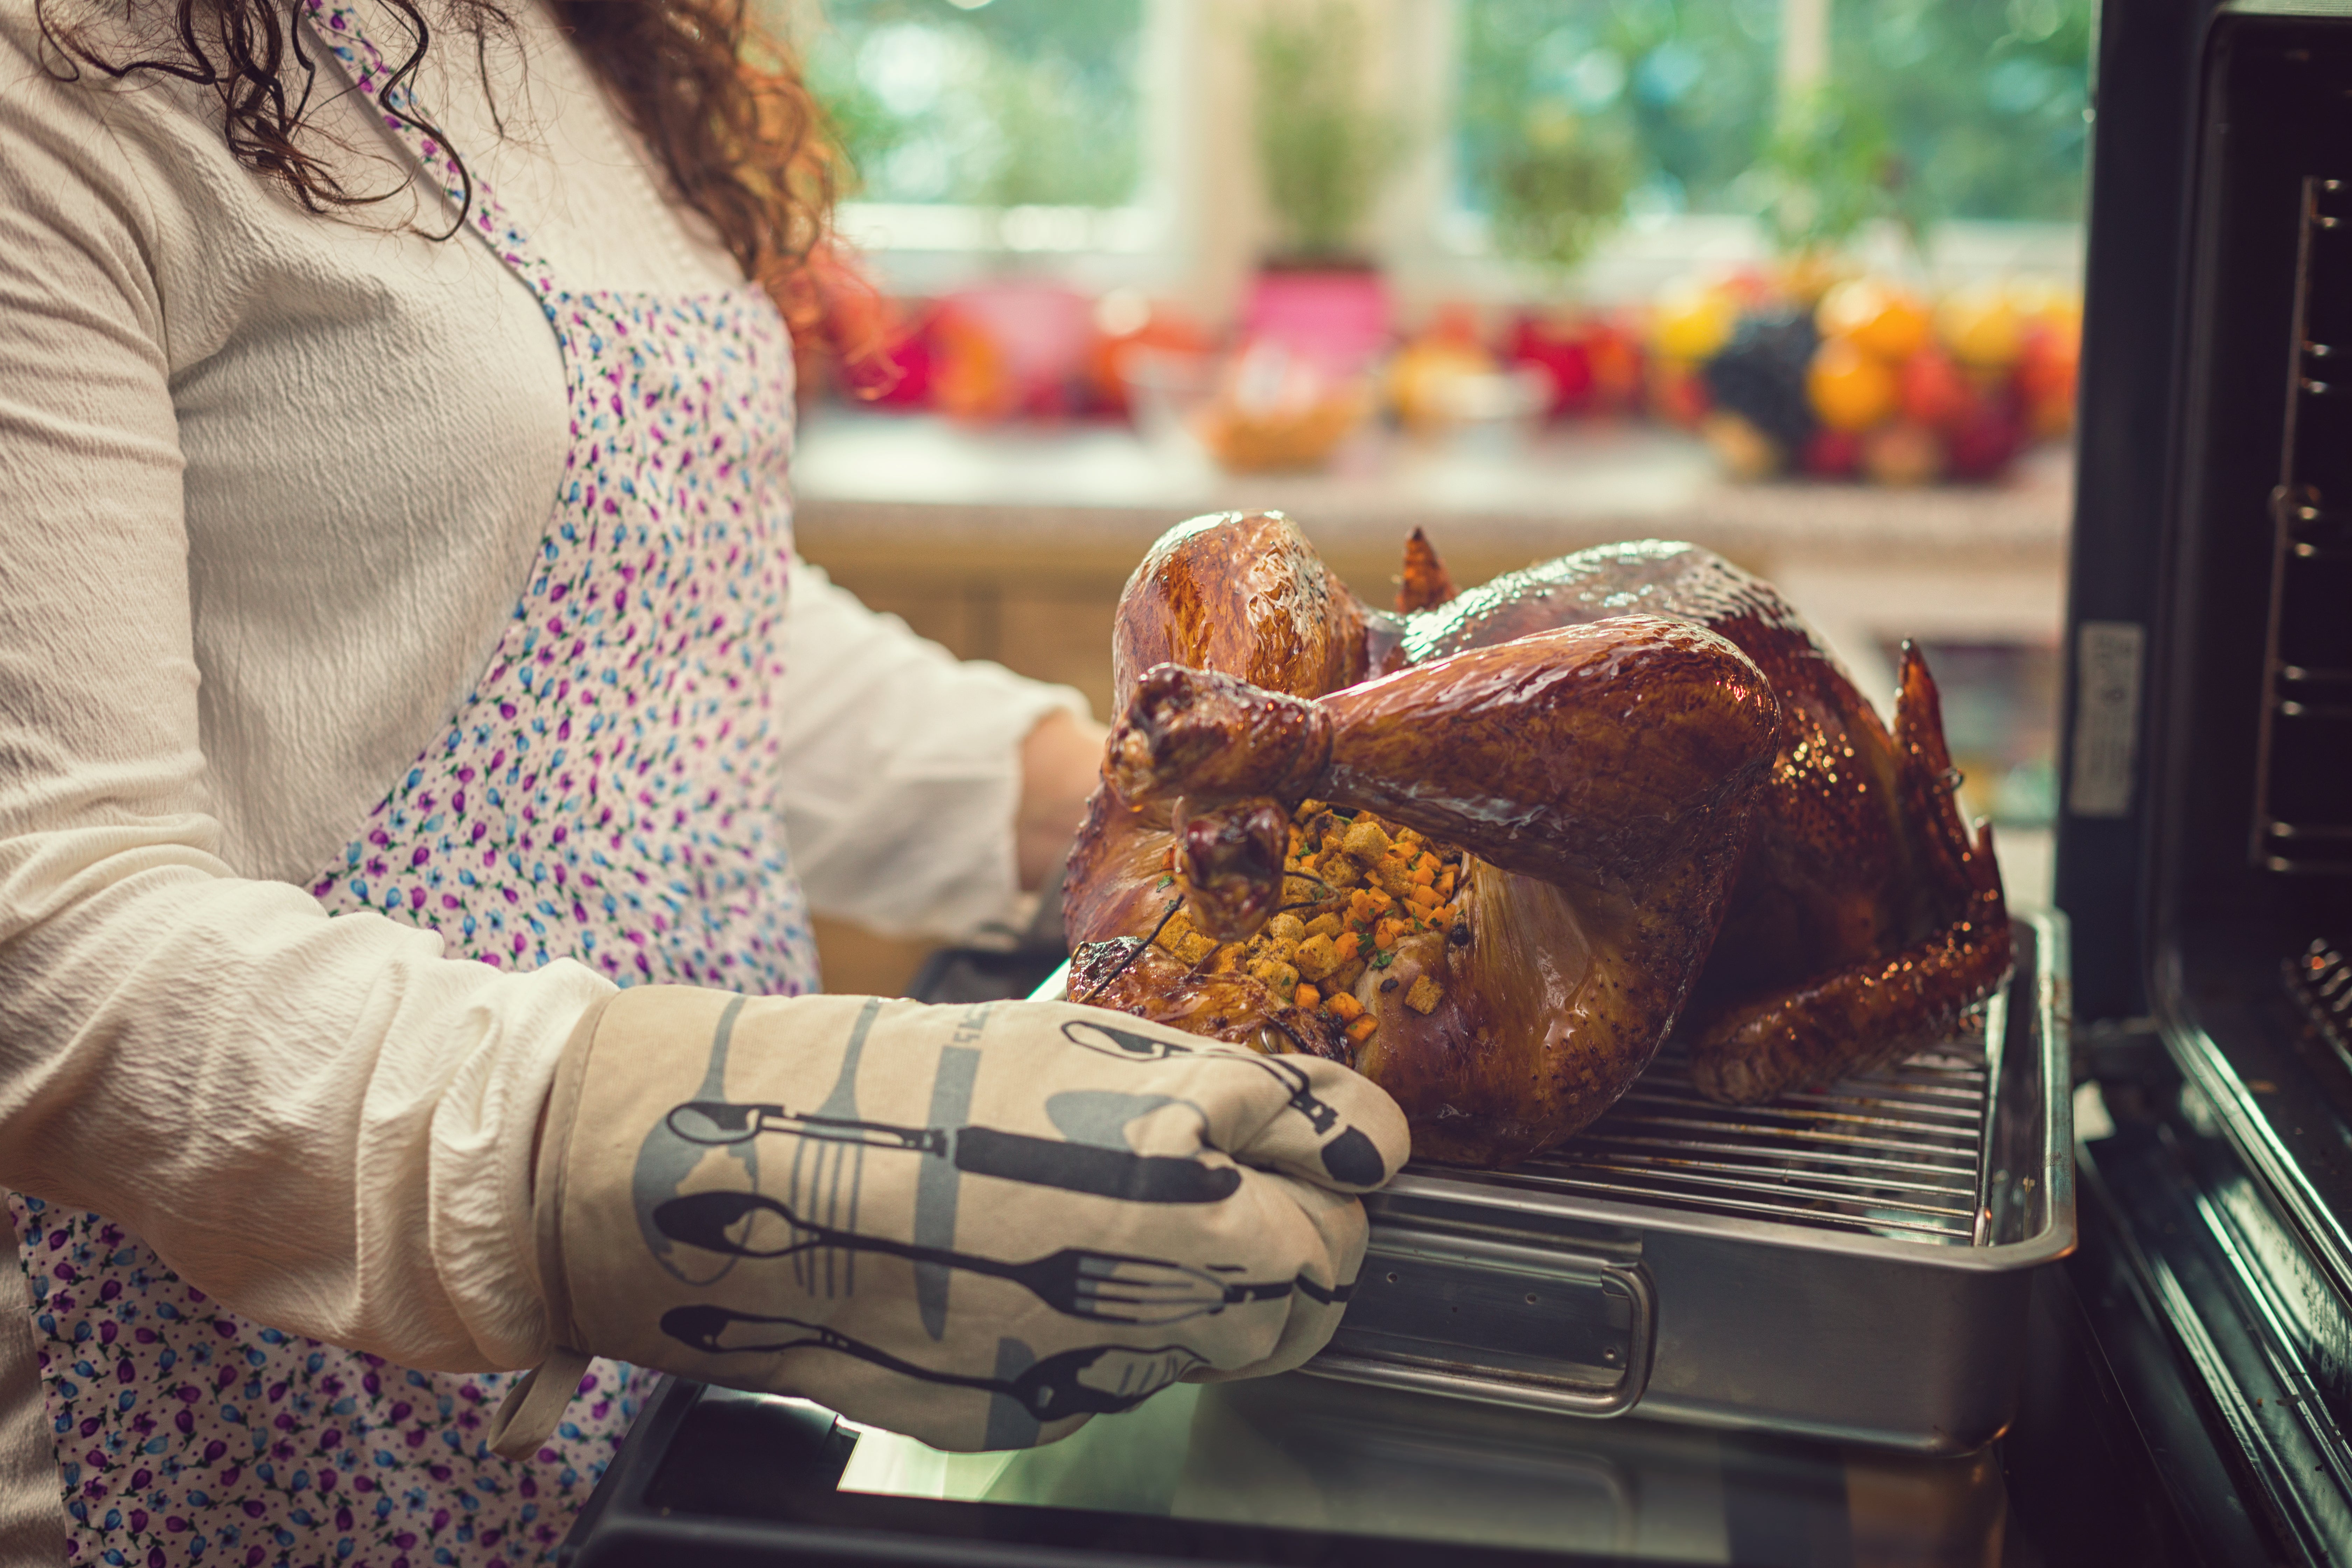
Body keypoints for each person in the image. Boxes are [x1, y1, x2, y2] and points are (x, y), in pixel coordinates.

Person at [0, 2, 1411, 1563]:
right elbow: (48, 934)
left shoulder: (591, 39)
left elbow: (671, 604)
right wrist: (611, 1157)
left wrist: (1135, 807)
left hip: (694, 1322)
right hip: (245, 1365)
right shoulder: (55, 76)